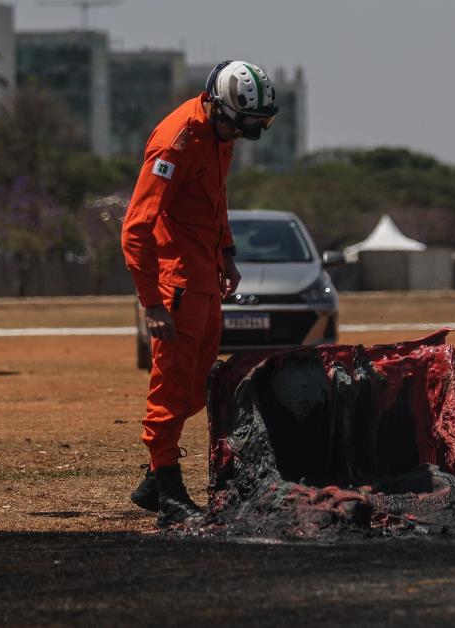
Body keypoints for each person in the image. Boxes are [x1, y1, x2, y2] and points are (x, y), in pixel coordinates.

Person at [121, 60, 278, 526]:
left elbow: (216, 199)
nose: (241, 136)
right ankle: (168, 489)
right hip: (177, 287)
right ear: (216, 104)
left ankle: (154, 477)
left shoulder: (219, 136)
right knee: (170, 391)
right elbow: (135, 229)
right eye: (239, 125)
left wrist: (226, 252)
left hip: (205, 277)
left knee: (197, 388)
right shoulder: (176, 142)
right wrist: (151, 303)